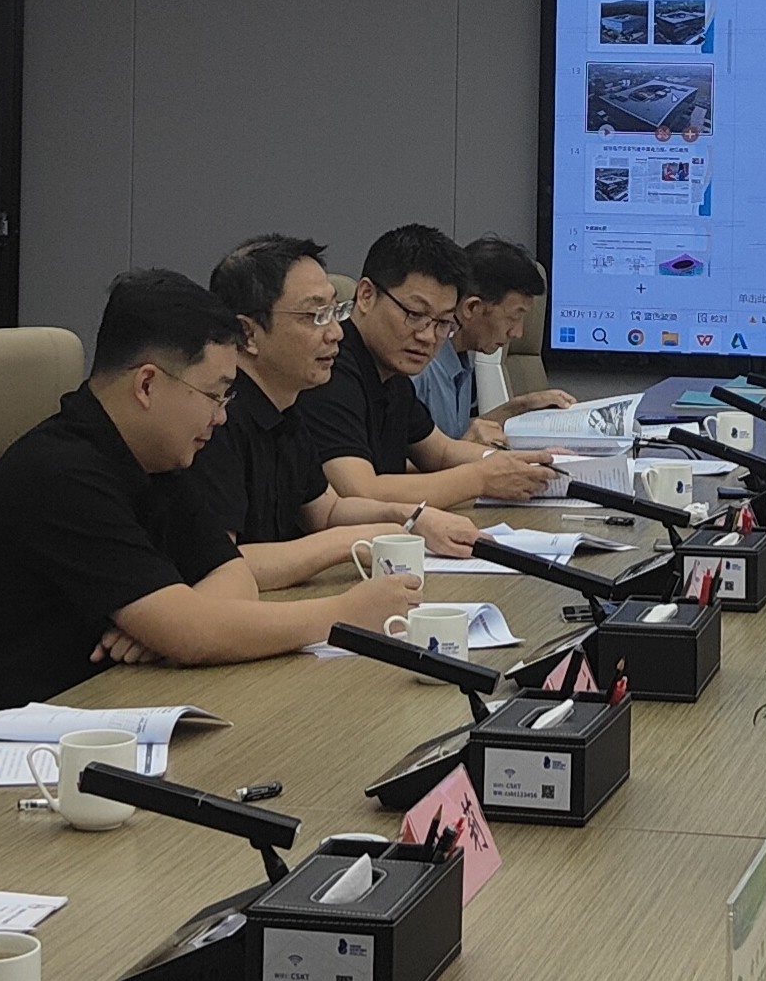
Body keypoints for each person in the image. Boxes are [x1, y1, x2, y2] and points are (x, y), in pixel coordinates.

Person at [0, 270, 424, 768]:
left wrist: (172, 626)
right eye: (214, 394)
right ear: (147, 385)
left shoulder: (157, 457)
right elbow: (192, 632)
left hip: (80, 719)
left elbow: (231, 574)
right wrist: (342, 615)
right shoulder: (59, 472)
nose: (222, 416)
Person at [126, 235, 482, 666]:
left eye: (334, 311)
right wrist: (354, 542)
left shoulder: (287, 404)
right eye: (315, 316)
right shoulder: (213, 420)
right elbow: (220, 562)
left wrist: (408, 520)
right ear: (247, 333)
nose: (336, 333)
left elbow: (326, 511)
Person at [295, 224, 562, 508]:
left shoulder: (393, 373)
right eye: (415, 314)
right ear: (366, 295)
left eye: (443, 322)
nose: (428, 336)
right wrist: (480, 479)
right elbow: (359, 492)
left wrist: (531, 462)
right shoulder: (330, 367)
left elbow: (442, 452)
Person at [411, 235, 575, 444]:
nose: (517, 333)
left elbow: (454, 434)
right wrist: (464, 450)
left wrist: (522, 406)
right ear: (472, 307)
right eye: (513, 317)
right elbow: (393, 460)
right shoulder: (419, 368)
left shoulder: (461, 361)